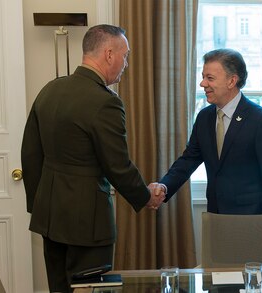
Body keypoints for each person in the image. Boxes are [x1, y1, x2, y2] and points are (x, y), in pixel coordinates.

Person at [21, 24, 164, 293]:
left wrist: (39, 204)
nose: (126, 64)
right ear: (109, 54)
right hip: (87, 221)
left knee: (60, 288)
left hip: (50, 217)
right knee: (91, 289)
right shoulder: (105, 102)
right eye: (125, 55)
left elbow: (30, 153)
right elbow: (117, 165)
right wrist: (145, 196)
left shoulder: (50, 89)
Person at [152, 48, 262, 215]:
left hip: (252, 219)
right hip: (216, 215)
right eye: (203, 77)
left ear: (232, 81)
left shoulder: (259, 121)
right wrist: (164, 186)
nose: (202, 84)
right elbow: (189, 159)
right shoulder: (204, 117)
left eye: (210, 78)